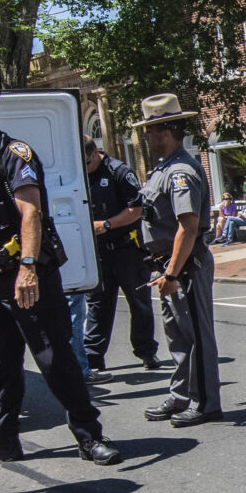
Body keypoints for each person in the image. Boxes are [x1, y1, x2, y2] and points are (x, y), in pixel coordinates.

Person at [0, 74, 122, 466]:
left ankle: (89, 436)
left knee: (54, 359)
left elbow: (31, 212)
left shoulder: (15, 153)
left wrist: (26, 267)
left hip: (26, 275)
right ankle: (4, 437)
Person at [135, 94, 222, 427]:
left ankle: (206, 403)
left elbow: (187, 226)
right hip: (169, 266)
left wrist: (172, 271)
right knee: (178, 334)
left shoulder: (181, 171)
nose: (146, 137)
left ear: (165, 131)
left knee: (197, 335)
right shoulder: (165, 168)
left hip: (185, 267)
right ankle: (181, 393)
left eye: (149, 130)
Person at [81, 132, 160, 374]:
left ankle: (146, 352)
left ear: (95, 153)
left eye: (87, 163)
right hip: (99, 253)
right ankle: (93, 358)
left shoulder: (118, 172)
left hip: (127, 250)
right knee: (97, 305)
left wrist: (106, 225)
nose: (84, 168)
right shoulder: (79, 175)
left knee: (139, 302)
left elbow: (136, 210)